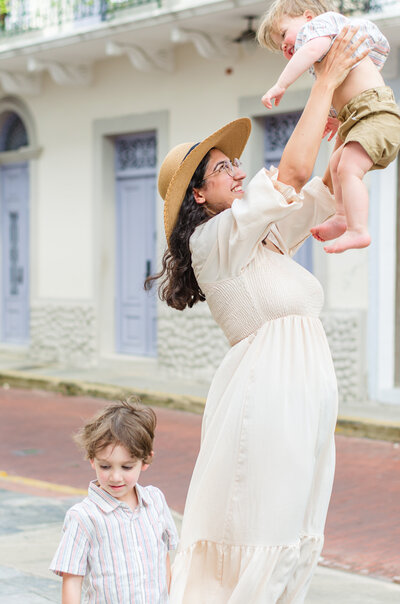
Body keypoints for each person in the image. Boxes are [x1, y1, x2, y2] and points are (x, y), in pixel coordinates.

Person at [145, 28, 368, 604]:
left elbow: (316, 189)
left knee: (294, 519)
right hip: (266, 391)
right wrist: (319, 83)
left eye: (235, 163)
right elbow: (288, 178)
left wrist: (347, 126)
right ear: (198, 195)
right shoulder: (216, 241)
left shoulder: (259, 235)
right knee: (263, 521)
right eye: (223, 168)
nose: (239, 172)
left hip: (303, 391)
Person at [257, 0, 400, 253]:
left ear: (308, 17)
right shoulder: (327, 51)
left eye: (283, 33)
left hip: (375, 114)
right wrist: (336, 117)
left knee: (346, 168)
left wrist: (281, 85)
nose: (283, 45)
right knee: (335, 165)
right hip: (361, 115)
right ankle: (343, 216)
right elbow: (344, 88)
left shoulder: (324, 28)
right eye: (278, 45)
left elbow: (310, 52)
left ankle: (359, 229)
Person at [50, 398, 178, 603]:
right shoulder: (83, 517)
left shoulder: (155, 500)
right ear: (92, 460)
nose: (115, 477)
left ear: (145, 461)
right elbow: (72, 579)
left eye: (126, 467)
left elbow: (163, 559)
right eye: (105, 466)